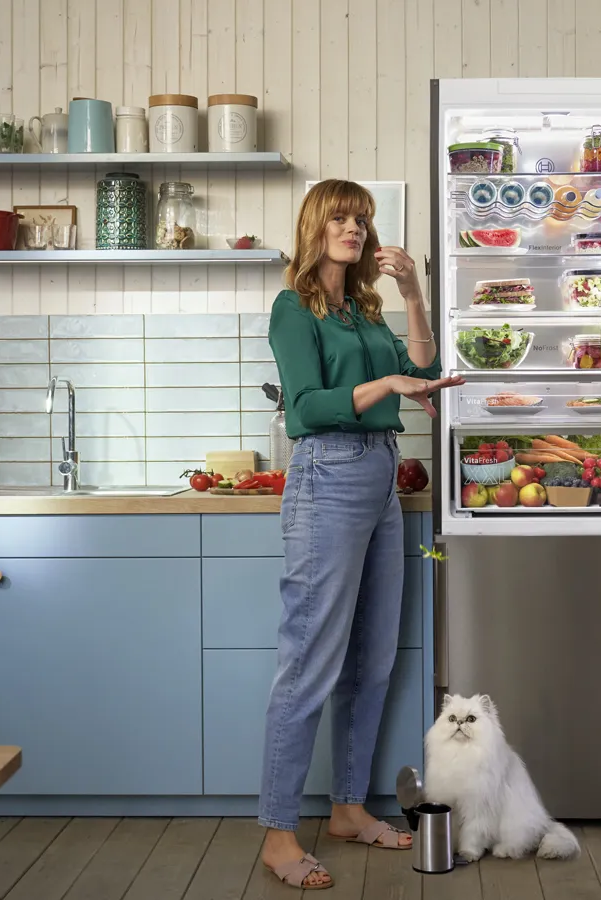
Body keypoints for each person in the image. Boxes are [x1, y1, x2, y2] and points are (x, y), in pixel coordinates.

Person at [259, 179, 463, 889]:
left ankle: (347, 808)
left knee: (371, 660)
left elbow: (425, 369)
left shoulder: (364, 309)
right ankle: (279, 833)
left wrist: (413, 296)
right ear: (316, 225)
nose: (354, 227)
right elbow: (307, 409)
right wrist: (386, 390)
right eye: (342, 217)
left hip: (379, 480)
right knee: (310, 662)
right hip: (327, 478)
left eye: (362, 219)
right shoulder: (294, 308)